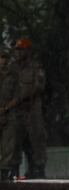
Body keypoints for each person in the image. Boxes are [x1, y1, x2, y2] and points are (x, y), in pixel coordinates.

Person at [12, 38, 46, 179]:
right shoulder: (12, 67)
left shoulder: (35, 67)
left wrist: (23, 97)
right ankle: (13, 169)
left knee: (37, 138)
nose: (19, 52)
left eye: (21, 50)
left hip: (32, 108)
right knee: (15, 139)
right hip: (16, 109)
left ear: (28, 51)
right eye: (17, 49)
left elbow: (39, 86)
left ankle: (38, 168)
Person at [0, 47, 19, 181]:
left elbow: (18, 95)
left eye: (4, 59)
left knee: (8, 144)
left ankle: (4, 171)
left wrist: (6, 107)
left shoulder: (13, 75)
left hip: (8, 112)